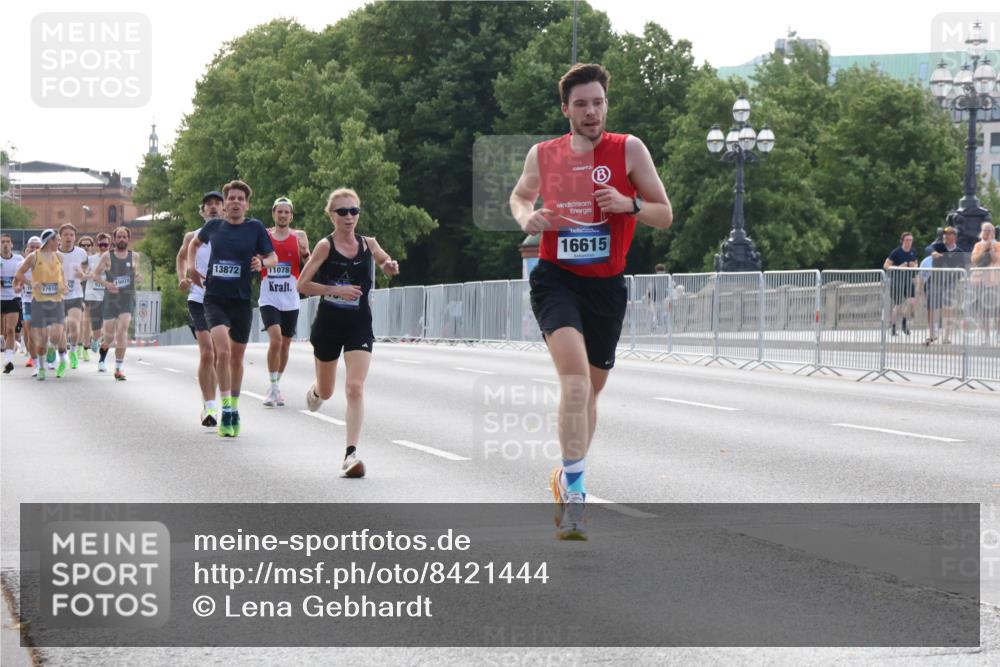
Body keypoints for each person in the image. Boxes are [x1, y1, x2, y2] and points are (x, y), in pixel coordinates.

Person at [509, 63, 673, 540]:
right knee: (576, 382)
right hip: (556, 279)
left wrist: (630, 206)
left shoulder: (629, 150)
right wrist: (527, 216)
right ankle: (576, 492)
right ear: (566, 109)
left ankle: (565, 476)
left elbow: (664, 214)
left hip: (606, 287)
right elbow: (519, 197)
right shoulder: (544, 154)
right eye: (581, 103)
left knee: (591, 391)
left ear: (606, 104)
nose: (591, 111)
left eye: (597, 102)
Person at [298, 188, 399, 477]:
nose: (349, 216)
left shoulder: (368, 243)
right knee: (327, 391)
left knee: (355, 387)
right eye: (342, 211)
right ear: (332, 215)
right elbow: (302, 285)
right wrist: (334, 290)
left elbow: (384, 260)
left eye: (353, 211)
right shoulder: (324, 247)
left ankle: (350, 454)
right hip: (328, 324)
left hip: (358, 323)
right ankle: (316, 390)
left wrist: (389, 266)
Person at [187, 180, 278, 437]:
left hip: (241, 301)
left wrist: (262, 262)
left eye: (240, 198)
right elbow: (194, 244)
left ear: (246, 205)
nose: (235, 202)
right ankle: (225, 408)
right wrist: (192, 268)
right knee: (222, 352)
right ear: (225, 204)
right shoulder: (214, 226)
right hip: (214, 299)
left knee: (237, 359)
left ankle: (234, 408)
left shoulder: (255, 228)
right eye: (232, 198)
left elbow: (274, 257)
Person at [177, 191, 224, 426]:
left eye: (217, 204)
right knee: (207, 351)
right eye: (208, 205)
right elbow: (181, 258)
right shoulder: (193, 236)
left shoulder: (233, 235)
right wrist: (183, 277)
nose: (213, 208)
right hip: (199, 299)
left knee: (219, 354)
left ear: (224, 209)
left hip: (225, 301)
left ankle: (212, 400)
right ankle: (209, 407)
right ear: (202, 211)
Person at [259, 196, 310, 407]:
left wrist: (306, 253)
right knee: (276, 339)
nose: (282, 215)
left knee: (286, 344)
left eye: (286, 212)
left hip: (290, 298)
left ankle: (275, 386)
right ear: (273, 214)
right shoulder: (264, 236)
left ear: (291, 215)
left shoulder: (299, 236)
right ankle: (272, 386)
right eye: (279, 211)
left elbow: (310, 263)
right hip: (269, 297)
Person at [13, 229, 67, 380]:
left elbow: (61, 273)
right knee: (41, 338)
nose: (59, 243)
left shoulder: (59, 256)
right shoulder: (33, 257)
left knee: (56, 336)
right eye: (57, 240)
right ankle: (41, 367)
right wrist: (31, 283)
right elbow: (19, 274)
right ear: (49, 241)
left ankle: (55, 351)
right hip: (39, 302)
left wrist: (64, 285)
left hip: (56, 301)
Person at [92, 227, 143, 380]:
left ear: (128, 239)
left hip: (127, 299)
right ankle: (102, 358)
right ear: (114, 239)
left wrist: (138, 277)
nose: (121, 239)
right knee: (108, 336)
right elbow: (95, 275)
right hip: (110, 300)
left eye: (124, 237)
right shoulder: (107, 256)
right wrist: (107, 284)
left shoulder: (135, 256)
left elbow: (135, 275)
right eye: (119, 237)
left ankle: (119, 368)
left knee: (122, 331)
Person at [56, 224, 88, 372]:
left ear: (75, 237)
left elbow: (86, 269)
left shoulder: (81, 252)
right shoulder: (54, 254)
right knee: (59, 330)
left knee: (75, 324)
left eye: (71, 235)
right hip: (58, 296)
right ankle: (63, 358)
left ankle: (73, 351)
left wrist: (83, 275)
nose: (69, 237)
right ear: (60, 237)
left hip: (75, 294)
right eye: (66, 235)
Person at [931, 226, 965, 344]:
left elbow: (962, 268)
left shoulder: (959, 251)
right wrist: (933, 252)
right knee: (934, 309)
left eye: (949, 234)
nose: (946, 236)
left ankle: (946, 336)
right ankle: (932, 334)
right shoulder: (938, 246)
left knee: (948, 310)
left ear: (954, 237)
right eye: (945, 234)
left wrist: (953, 278)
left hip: (950, 284)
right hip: (936, 282)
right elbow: (928, 248)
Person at [883, 231, 917, 336]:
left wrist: (914, 266)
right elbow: (886, 265)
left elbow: (916, 265)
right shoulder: (896, 252)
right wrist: (898, 267)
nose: (909, 242)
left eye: (911, 240)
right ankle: (893, 327)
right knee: (898, 305)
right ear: (902, 241)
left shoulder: (913, 252)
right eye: (907, 240)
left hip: (908, 279)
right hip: (897, 280)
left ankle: (904, 322)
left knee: (912, 301)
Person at [970, 221, 1000, 339]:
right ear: (982, 232)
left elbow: (997, 260)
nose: (988, 232)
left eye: (990, 230)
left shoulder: (998, 245)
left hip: (995, 280)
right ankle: (986, 335)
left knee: (997, 309)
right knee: (984, 311)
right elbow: (974, 260)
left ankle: (998, 334)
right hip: (980, 281)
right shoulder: (978, 245)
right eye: (986, 230)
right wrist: (984, 249)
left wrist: (991, 249)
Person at [81, 233, 108, 363]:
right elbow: (82, 274)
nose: (103, 247)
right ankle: (90, 343)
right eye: (101, 245)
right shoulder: (91, 259)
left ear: (110, 245)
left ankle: (96, 339)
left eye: (106, 245)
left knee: (106, 323)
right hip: (93, 295)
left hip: (107, 295)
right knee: (93, 322)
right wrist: (89, 274)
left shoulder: (113, 259)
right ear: (97, 245)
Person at [17, 236, 42, 374]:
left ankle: (48, 350)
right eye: (31, 247)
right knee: (29, 329)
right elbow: (16, 280)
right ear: (27, 249)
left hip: (46, 302)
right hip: (27, 300)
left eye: (37, 247)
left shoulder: (49, 262)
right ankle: (35, 362)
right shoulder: (21, 265)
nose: (34, 250)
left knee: (45, 332)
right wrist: (18, 286)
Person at [1, 234, 25, 373]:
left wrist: (19, 283)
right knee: (2, 332)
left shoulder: (19, 259)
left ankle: (8, 361)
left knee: (10, 330)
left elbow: (24, 274)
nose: (5, 244)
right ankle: (11, 348)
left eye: (7, 242)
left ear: (12, 245)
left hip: (13, 298)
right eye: (2, 242)